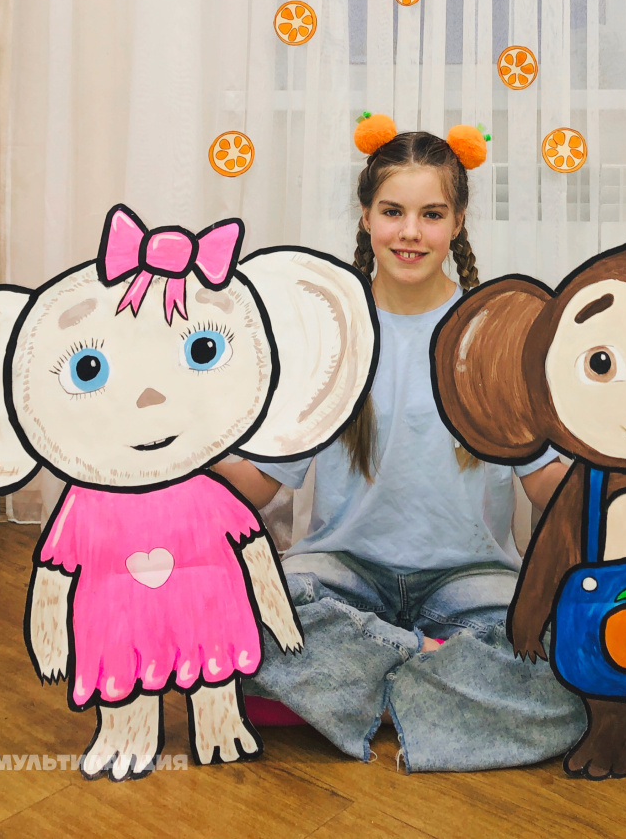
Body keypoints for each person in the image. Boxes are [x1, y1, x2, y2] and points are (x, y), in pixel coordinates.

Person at [213, 119, 586, 772]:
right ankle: (432, 675)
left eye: (431, 214)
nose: (410, 231)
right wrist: (184, 460)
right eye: (393, 212)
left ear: (458, 223)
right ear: (366, 217)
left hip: (472, 576)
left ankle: (368, 685)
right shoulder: (330, 335)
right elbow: (263, 483)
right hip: (342, 570)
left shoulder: (496, 335)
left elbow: (542, 484)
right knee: (239, 617)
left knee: (571, 654)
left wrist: (617, 482)